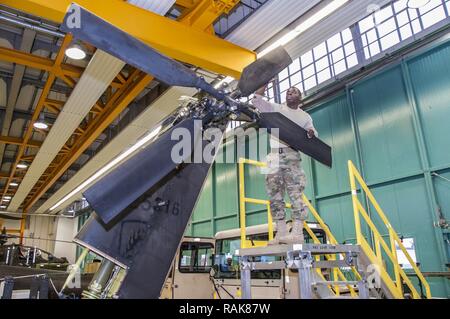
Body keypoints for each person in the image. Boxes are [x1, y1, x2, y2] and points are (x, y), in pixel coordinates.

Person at [252, 84, 318, 245]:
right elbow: (256, 100)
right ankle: (281, 233)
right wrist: (264, 81)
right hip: (273, 155)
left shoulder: (305, 117)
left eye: (294, 91)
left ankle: (296, 232)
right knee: (274, 196)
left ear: (300, 98)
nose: (290, 92)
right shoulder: (276, 108)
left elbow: (313, 133)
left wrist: (310, 133)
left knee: (295, 193)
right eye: (288, 91)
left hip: (291, 154)